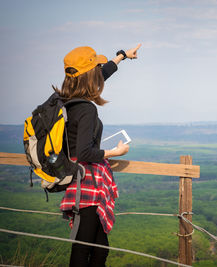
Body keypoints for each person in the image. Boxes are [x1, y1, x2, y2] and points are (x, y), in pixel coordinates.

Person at [54, 44, 141, 266]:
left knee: (99, 250)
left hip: (80, 181)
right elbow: (84, 151)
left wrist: (121, 57)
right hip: (87, 185)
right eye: (96, 68)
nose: (98, 72)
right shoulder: (86, 109)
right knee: (84, 250)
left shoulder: (67, 100)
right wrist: (114, 152)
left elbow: (99, 76)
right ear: (88, 76)